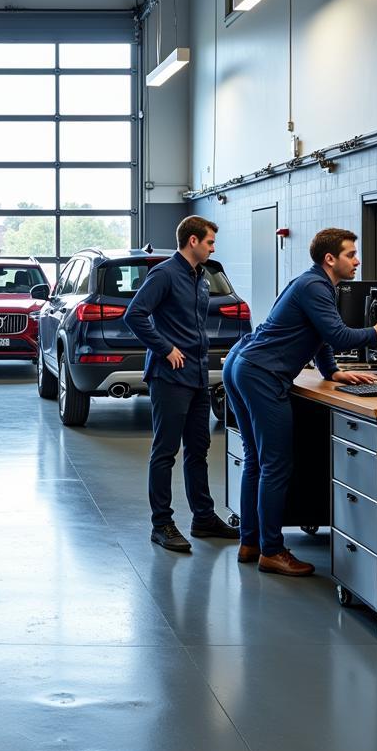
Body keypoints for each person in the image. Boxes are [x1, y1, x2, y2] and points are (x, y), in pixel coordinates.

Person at [222, 228, 377, 577]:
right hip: (261, 374)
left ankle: (251, 541)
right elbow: (336, 334)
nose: (357, 260)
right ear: (330, 258)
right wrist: (375, 332)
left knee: (257, 460)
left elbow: (318, 336)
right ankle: (271, 551)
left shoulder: (310, 283)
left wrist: (331, 372)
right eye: (351, 254)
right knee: (275, 465)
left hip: (243, 365)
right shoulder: (317, 286)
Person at [124, 216, 240, 552]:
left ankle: (203, 517)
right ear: (192, 241)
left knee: (198, 450)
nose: (213, 248)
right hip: (170, 376)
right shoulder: (165, 274)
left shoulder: (201, 276)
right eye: (209, 242)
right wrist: (165, 347)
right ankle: (161, 524)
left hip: (197, 376)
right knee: (165, 451)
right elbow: (135, 314)